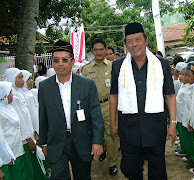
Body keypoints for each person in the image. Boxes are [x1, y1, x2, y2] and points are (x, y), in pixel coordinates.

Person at [110, 22, 176, 180]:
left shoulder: (162, 64)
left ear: (146, 41)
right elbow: (114, 96)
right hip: (128, 127)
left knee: (157, 169)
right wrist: (113, 124)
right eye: (130, 41)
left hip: (155, 126)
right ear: (126, 44)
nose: (134, 44)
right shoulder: (118, 66)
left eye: (138, 40)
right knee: (130, 168)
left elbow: (170, 95)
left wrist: (172, 123)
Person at [38, 40, 104, 180]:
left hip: (81, 140)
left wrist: (97, 141)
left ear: (72, 61)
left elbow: (96, 115)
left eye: (64, 60)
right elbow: (43, 116)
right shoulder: (44, 87)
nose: (60, 64)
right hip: (56, 142)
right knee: (58, 176)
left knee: (83, 176)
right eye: (56, 60)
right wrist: (43, 142)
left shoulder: (87, 85)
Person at [82, 38, 119, 176]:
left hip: (108, 105)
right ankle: (102, 150)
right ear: (92, 51)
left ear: (105, 50)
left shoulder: (113, 66)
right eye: (95, 50)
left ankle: (112, 163)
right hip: (92, 106)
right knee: (95, 132)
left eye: (101, 49)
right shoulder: (86, 69)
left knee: (112, 134)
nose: (98, 52)